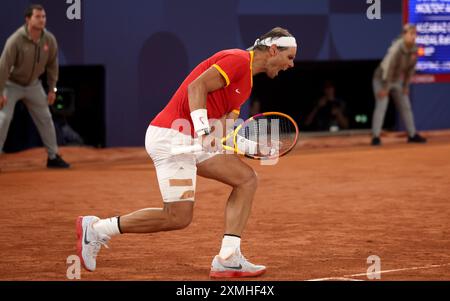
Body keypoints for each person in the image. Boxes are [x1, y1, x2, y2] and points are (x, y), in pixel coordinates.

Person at [76, 27, 297, 278]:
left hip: (191, 140)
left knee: (246, 179)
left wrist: (254, 149)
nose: (291, 65)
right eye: (289, 57)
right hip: (171, 138)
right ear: (272, 50)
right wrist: (203, 131)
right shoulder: (237, 59)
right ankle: (96, 229)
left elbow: (223, 133)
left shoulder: (246, 86)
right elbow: (196, 87)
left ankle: (228, 257)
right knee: (177, 217)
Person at [0, 4, 70, 168]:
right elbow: (3, 66)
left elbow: (53, 65)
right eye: (38, 17)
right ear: (28, 19)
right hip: (11, 84)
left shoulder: (49, 39)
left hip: (33, 85)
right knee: (3, 119)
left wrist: (52, 88)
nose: (42, 20)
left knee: (46, 118)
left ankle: (53, 157)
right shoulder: (15, 40)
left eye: (44, 17)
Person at [371, 23, 427, 146]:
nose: (413, 36)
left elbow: (410, 70)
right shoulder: (396, 48)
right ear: (404, 35)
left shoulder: (415, 50)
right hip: (382, 79)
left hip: (396, 80)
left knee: (405, 106)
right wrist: (385, 88)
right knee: (382, 105)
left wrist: (406, 86)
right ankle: (375, 137)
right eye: (410, 33)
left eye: (415, 34)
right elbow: (388, 69)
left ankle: (412, 135)